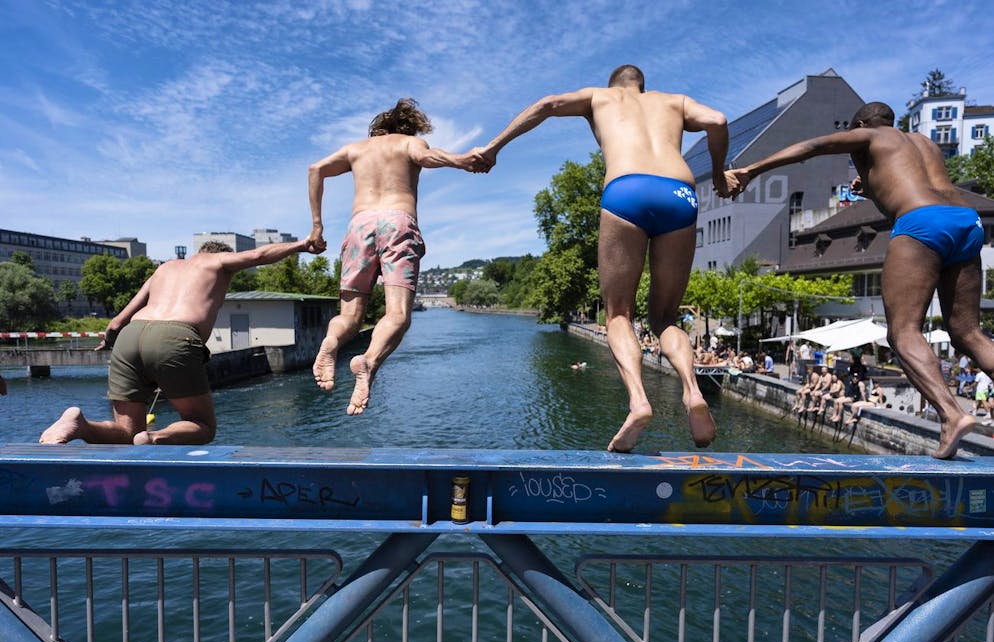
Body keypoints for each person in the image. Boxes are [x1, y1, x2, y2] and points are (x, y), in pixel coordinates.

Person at [471, 64, 735, 452]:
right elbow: (718, 120)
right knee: (665, 316)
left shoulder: (600, 96)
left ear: (616, 85)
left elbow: (547, 104)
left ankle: (638, 402)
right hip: (680, 193)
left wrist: (493, 148)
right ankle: (693, 391)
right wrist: (717, 173)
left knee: (618, 313)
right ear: (644, 85)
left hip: (627, 187)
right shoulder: (674, 102)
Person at [725, 101, 992, 459]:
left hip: (922, 223)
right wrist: (869, 186)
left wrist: (752, 170)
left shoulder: (868, 134)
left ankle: (952, 414)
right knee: (968, 333)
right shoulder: (923, 143)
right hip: (968, 222)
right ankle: (954, 413)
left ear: (862, 124)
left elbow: (813, 148)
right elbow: (912, 182)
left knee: (902, 332)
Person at [39, 238, 324, 445]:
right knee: (202, 426)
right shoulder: (219, 261)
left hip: (130, 336)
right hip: (175, 337)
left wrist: (110, 343)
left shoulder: (164, 268)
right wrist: (301, 245)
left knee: (125, 434)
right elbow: (261, 254)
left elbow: (115, 323)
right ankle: (153, 438)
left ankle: (79, 425)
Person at [308, 98, 483, 415]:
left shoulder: (355, 149)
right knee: (398, 315)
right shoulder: (409, 143)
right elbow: (428, 156)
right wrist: (461, 160)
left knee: (348, 317)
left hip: (359, 226)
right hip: (397, 223)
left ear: (378, 129)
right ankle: (368, 362)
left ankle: (332, 342)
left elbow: (315, 169)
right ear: (408, 126)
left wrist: (317, 227)